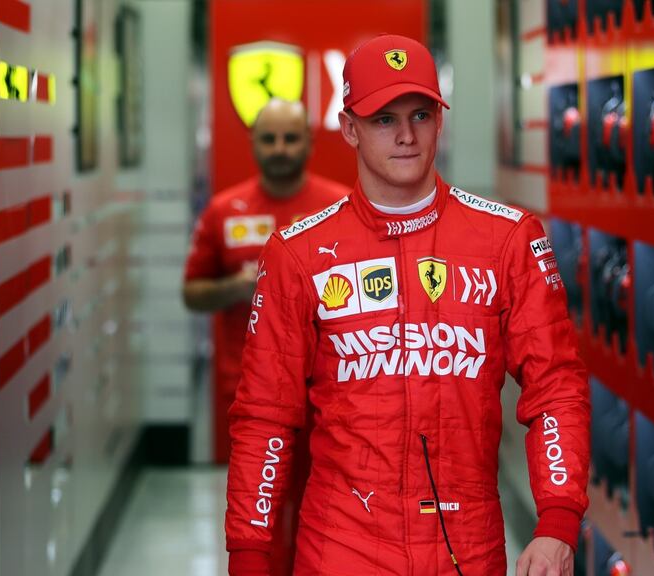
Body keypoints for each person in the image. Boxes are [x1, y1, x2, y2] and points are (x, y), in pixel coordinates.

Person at [225, 35, 590, 575]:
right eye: (381, 119)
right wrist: (249, 554)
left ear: (440, 120)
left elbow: (555, 386)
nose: (404, 135)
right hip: (340, 551)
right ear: (349, 127)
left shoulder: (507, 239)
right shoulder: (296, 254)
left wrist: (558, 522)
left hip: (466, 547)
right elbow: (265, 417)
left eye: (420, 114)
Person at [182, 98, 349, 575]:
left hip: (331, 402)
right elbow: (192, 294)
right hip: (252, 400)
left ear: (310, 143)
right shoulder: (223, 211)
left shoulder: (340, 207)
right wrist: (237, 286)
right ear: (253, 143)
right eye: (269, 138)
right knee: (260, 525)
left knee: (329, 523)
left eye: (290, 138)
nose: (280, 148)